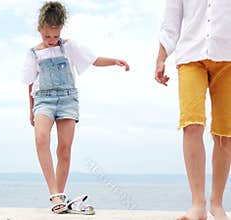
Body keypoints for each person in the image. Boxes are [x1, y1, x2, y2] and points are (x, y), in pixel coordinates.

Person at [22, 1, 129, 214]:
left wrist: (115, 61)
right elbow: (30, 83)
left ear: (61, 29)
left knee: (64, 149)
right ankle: (55, 193)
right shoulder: (33, 53)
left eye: (55, 36)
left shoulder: (69, 46)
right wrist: (31, 109)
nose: (52, 41)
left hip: (68, 100)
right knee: (41, 138)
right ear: (40, 29)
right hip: (43, 99)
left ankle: (58, 199)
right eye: (47, 36)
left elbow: (94, 59)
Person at [155, 0, 231, 219]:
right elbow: (171, 23)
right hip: (190, 56)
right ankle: (198, 204)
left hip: (228, 57)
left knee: (225, 135)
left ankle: (216, 203)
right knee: (191, 124)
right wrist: (161, 58)